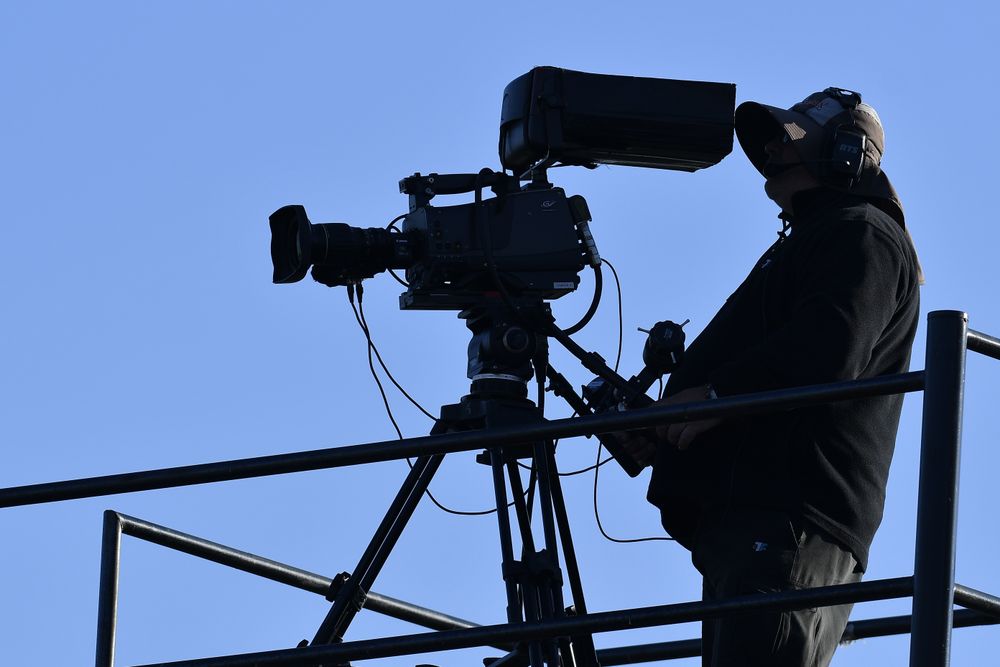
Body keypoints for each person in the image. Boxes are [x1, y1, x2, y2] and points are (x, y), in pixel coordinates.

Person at [627, 88, 921, 666]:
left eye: (789, 141)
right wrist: (665, 425)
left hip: (790, 526)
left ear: (845, 155)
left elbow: (827, 349)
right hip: (759, 527)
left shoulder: (861, 233)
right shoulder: (817, 239)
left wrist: (714, 397)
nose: (768, 152)